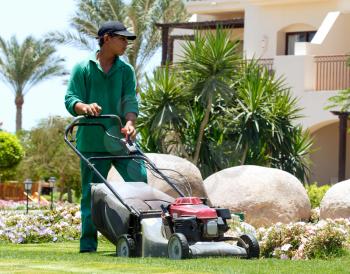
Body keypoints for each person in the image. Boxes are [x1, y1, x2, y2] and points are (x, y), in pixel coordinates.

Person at [65, 21, 147, 253]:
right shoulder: (83, 68)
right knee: (92, 194)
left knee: (140, 179)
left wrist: (130, 123)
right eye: (122, 39)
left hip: (121, 141)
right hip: (91, 141)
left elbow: (130, 100)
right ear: (107, 38)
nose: (126, 44)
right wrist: (85, 106)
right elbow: (71, 98)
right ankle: (88, 245)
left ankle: (139, 237)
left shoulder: (125, 70)